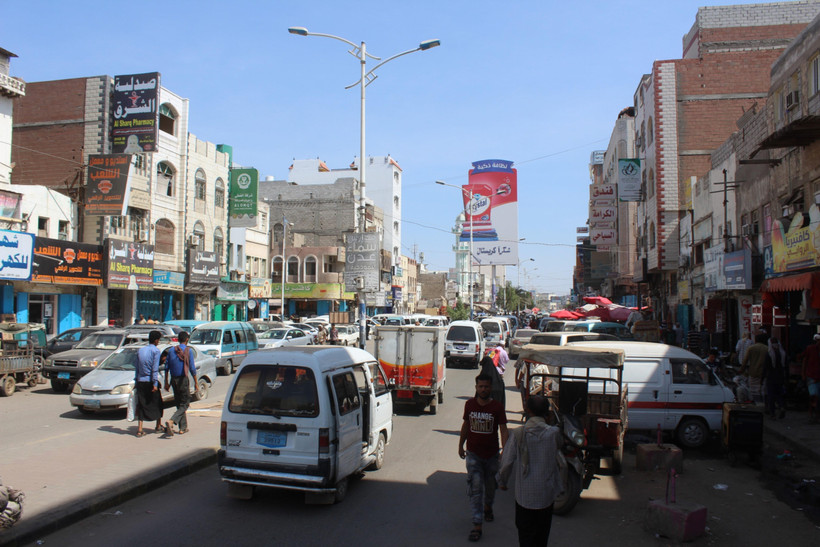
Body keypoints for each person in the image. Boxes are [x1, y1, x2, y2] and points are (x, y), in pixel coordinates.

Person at [497, 395, 562, 547]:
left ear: (527, 410)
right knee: (541, 537)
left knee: (525, 537)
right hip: (545, 496)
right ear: (547, 412)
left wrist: (502, 481)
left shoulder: (518, 434)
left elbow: (506, 462)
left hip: (524, 497)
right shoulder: (554, 433)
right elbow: (559, 448)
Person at [459, 373, 509, 543]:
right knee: (476, 487)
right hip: (473, 454)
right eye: (480, 386)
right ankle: (477, 524)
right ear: (476, 388)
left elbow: (503, 429)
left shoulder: (497, 407)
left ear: (490, 388)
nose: (483, 389)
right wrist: (461, 445)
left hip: (492, 456)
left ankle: (488, 507)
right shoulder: (470, 405)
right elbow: (466, 425)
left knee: (490, 487)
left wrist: (505, 451)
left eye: (486, 386)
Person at [163, 331, 197, 435]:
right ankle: (172, 420)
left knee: (179, 403)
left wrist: (166, 383)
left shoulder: (171, 350)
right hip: (183, 379)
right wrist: (196, 382)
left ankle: (183, 428)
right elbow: (192, 368)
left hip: (173, 379)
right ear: (187, 340)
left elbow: (166, 368)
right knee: (185, 403)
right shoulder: (188, 350)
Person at [134, 330, 163, 437]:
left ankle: (140, 429)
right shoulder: (156, 351)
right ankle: (158, 425)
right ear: (156, 340)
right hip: (150, 381)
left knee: (141, 404)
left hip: (140, 381)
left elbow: (136, 367)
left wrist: (136, 381)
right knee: (158, 403)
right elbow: (154, 369)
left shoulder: (140, 350)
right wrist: (155, 384)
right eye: (159, 340)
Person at [741, 333, 769, 404]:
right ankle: (763, 404)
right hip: (764, 373)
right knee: (763, 390)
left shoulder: (751, 348)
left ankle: (755, 403)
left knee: (753, 390)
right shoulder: (767, 349)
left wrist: (742, 369)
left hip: (752, 372)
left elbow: (745, 360)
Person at [764, 338, 787, 420]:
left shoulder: (769, 354)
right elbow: (785, 366)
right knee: (779, 394)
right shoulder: (782, 353)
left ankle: (772, 414)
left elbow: (765, 368)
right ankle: (781, 406)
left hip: (771, 377)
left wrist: (762, 378)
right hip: (780, 377)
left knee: (771, 396)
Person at [802, 334, 820, 423]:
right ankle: (812, 415)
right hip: (812, 376)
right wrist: (803, 374)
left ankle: (816, 416)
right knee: (813, 396)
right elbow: (804, 360)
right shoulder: (811, 349)